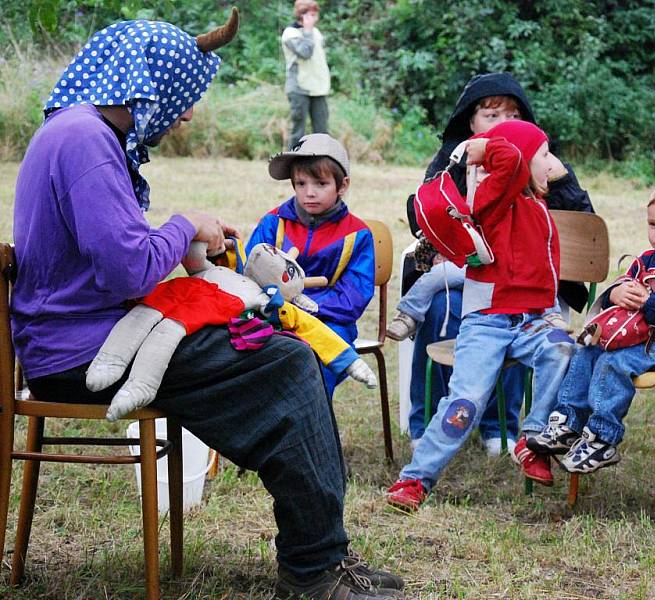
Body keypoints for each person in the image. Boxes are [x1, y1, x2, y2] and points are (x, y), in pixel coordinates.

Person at [10, 14, 403, 599]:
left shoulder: (78, 134)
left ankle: (322, 556)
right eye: (184, 95)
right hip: (84, 354)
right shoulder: (85, 140)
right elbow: (126, 270)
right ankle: (314, 571)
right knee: (291, 363)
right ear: (147, 83)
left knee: (276, 355)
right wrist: (183, 223)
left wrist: (179, 235)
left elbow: (116, 258)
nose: (187, 113)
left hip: (87, 340)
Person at [385, 120, 577, 512]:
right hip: (486, 322)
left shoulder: (539, 209)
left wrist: (551, 313)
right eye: (544, 154)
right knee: (465, 404)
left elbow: (547, 271)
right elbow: (508, 160)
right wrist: (485, 146)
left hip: (530, 321)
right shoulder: (493, 198)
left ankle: (533, 438)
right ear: (521, 161)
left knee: (563, 349)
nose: (553, 163)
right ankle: (415, 480)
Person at [401, 72, 593, 456]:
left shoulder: (541, 159)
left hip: (525, 279)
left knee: (520, 313)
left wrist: (563, 179)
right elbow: (422, 213)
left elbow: (582, 220)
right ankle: (428, 419)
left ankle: (499, 423)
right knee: (440, 307)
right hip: (469, 273)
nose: (502, 123)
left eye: (512, 114)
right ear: (470, 123)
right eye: (491, 115)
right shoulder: (452, 160)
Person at [530, 179, 655, 473]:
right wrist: (616, 292)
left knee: (615, 361)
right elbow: (626, 282)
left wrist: (650, 303)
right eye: (652, 224)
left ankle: (601, 438)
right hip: (640, 338)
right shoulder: (648, 258)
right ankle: (568, 424)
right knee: (586, 349)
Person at [247, 133, 374, 398]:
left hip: (330, 322)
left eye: (321, 183)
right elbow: (248, 274)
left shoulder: (358, 235)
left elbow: (354, 296)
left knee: (315, 362)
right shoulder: (273, 223)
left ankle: (312, 432)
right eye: (301, 183)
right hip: (273, 316)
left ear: (342, 185)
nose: (310, 192)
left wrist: (311, 308)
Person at [281, 0, 331, 150]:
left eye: (316, 15)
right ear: (302, 15)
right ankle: (292, 165)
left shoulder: (316, 32)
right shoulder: (290, 33)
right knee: (298, 131)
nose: (315, 18)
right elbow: (305, 53)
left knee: (322, 131)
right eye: (312, 15)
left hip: (318, 88)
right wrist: (307, 31)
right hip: (299, 88)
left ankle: (323, 166)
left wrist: (310, 31)